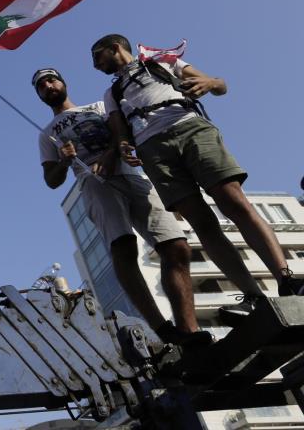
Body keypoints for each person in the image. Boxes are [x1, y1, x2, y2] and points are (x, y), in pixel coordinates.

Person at [91, 34, 304, 325]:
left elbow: (220, 85)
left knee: (234, 201)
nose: (95, 64)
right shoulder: (112, 93)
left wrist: (209, 83)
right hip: (153, 151)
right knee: (201, 223)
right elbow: (119, 131)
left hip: (188, 127)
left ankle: (286, 278)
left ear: (115, 47)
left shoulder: (161, 61)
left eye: (97, 55)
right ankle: (253, 296)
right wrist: (124, 146)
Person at [32, 68, 210, 346]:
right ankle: (163, 329)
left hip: (133, 175)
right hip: (94, 183)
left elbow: (123, 131)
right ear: (39, 95)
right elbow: (51, 181)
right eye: (41, 85)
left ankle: (189, 330)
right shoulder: (47, 135)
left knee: (176, 245)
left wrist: (113, 153)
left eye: (51, 79)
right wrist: (65, 161)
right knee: (123, 247)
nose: (48, 86)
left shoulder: (100, 106)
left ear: (64, 82)